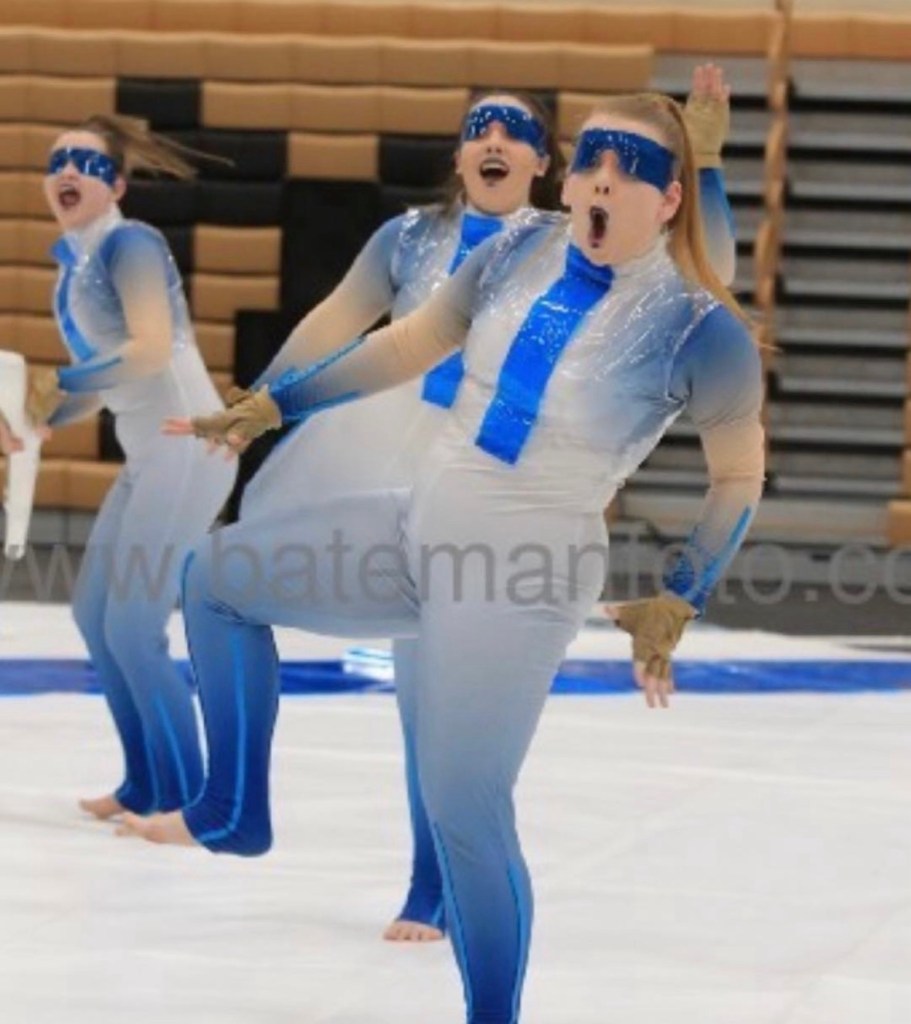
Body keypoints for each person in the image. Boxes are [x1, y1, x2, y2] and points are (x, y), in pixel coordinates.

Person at [123, 90, 764, 1024]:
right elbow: (409, 344)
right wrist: (278, 403)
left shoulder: (698, 328)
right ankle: (233, 809)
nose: (598, 183)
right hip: (417, 529)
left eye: (627, 171)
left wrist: (681, 593)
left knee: (463, 808)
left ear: (669, 200)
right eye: (590, 161)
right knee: (215, 580)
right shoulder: (513, 249)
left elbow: (736, 480)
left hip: (521, 579)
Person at [34, 115, 236, 822]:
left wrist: (49, 387)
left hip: (188, 447)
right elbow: (97, 387)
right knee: (95, 616)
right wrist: (36, 417)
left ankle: (189, 801)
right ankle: (145, 785)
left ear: (116, 183)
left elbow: (149, 352)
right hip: (153, 452)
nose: (66, 171)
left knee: (131, 626)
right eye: (56, 160)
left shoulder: (131, 243)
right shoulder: (76, 265)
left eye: (85, 163)